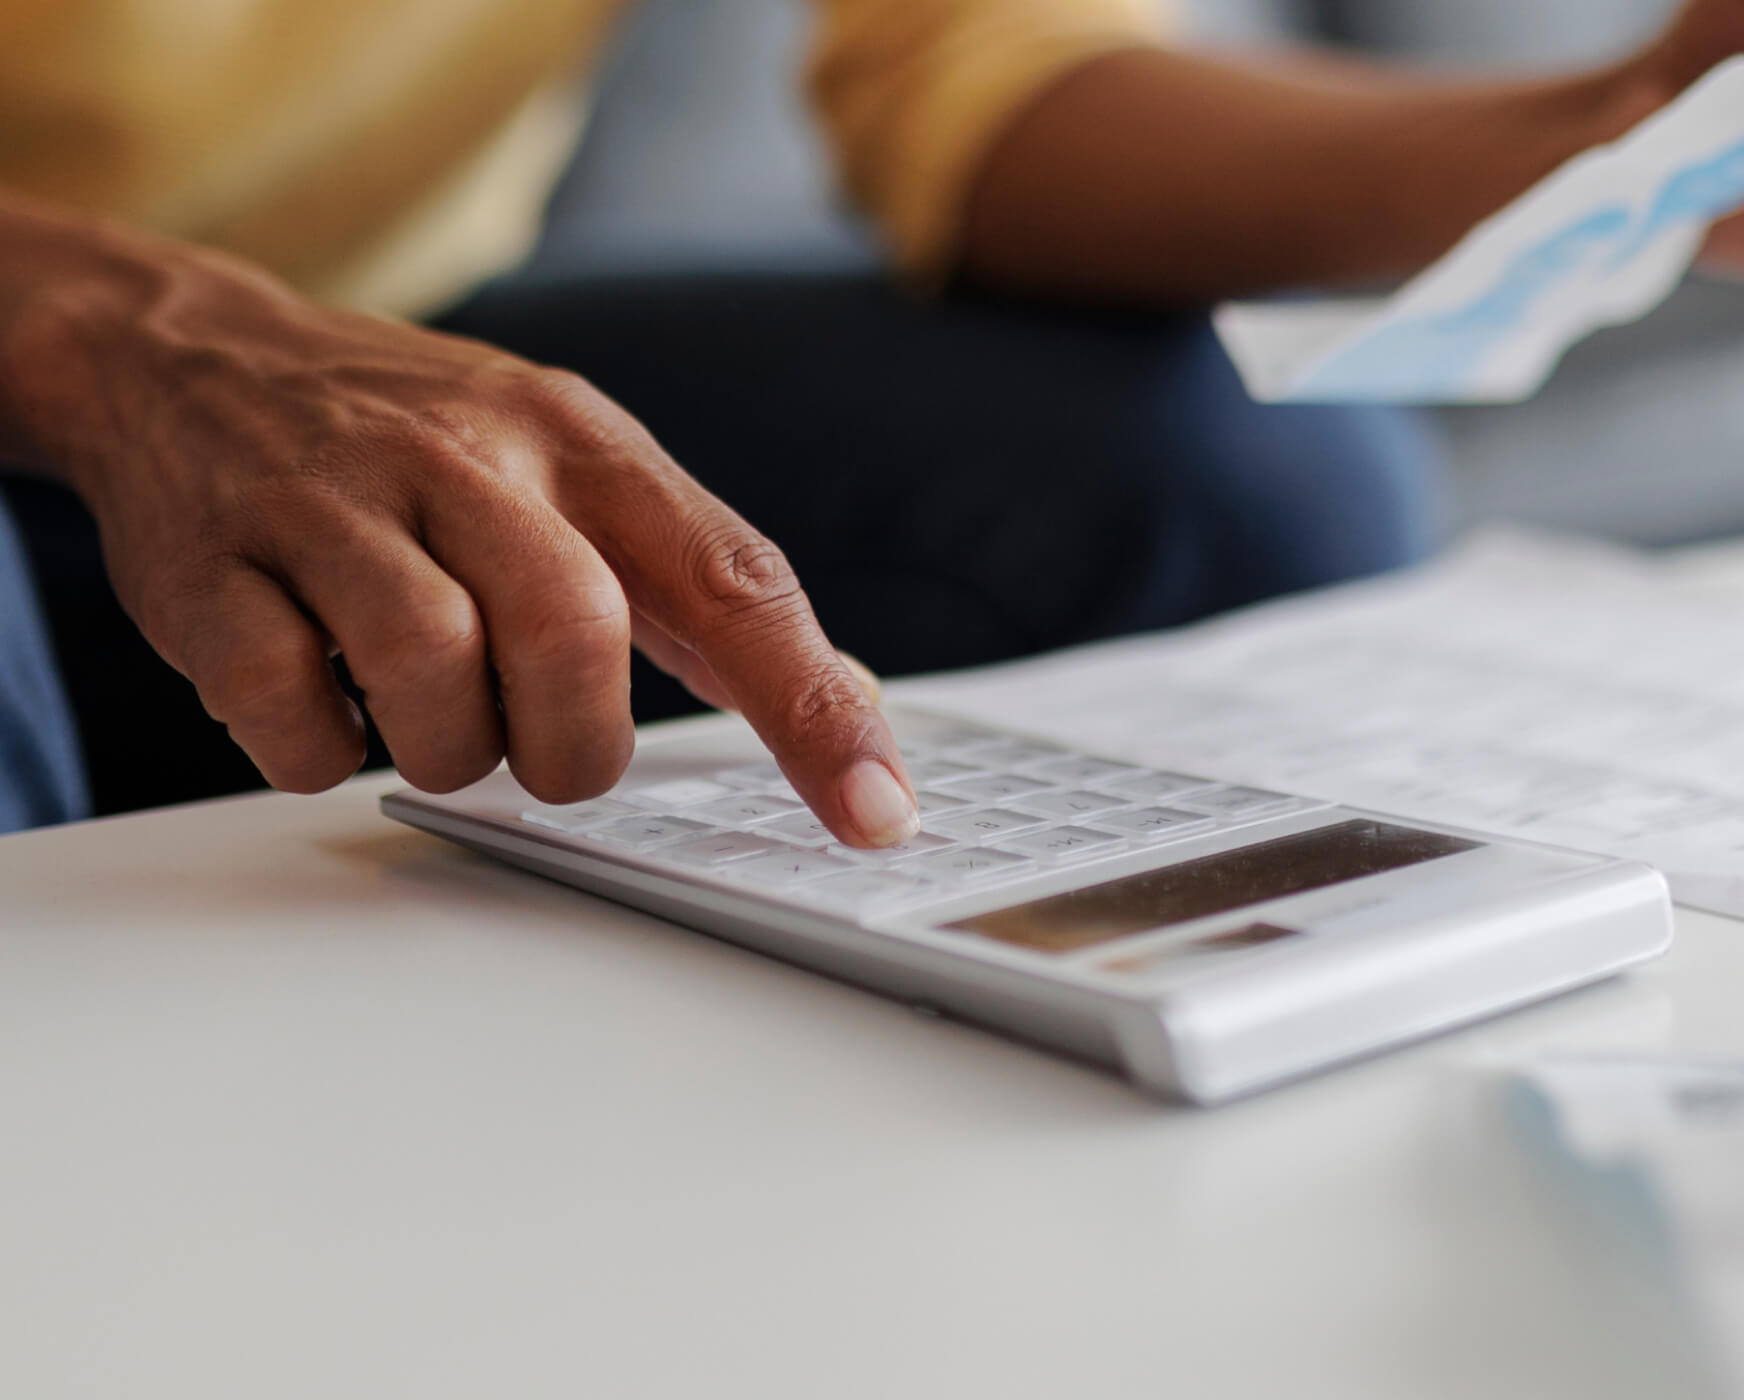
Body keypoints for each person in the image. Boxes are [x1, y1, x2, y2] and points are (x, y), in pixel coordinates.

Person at [1, 0, 1741, 844]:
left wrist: (1622, 130)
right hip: (72, 320)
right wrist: (115, 336)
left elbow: (984, 80)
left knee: (1241, 481)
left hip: (343, 330)